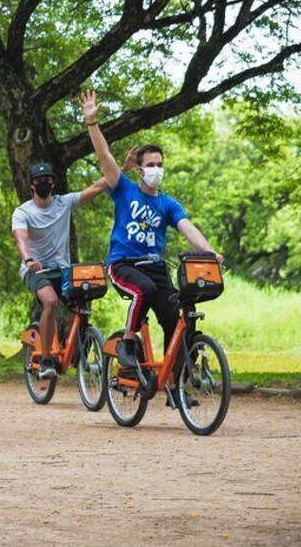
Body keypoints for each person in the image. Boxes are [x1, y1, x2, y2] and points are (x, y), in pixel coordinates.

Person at [80, 90, 222, 370]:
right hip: (123, 265)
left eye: (160, 165)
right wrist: (92, 123)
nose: (156, 169)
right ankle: (128, 342)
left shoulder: (169, 204)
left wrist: (209, 252)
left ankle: (177, 379)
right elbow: (105, 155)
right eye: (150, 165)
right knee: (142, 290)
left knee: (174, 316)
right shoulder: (123, 189)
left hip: (156, 268)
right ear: (139, 169)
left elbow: (187, 228)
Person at [12, 163, 107, 379]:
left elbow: (95, 188)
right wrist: (28, 259)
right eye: (39, 180)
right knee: (51, 302)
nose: (43, 183)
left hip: (63, 270)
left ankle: (74, 353)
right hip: (36, 270)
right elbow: (21, 237)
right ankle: (46, 360)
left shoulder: (63, 203)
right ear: (32, 185)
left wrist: (122, 169)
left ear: (53, 182)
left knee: (83, 302)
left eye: (47, 179)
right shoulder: (23, 211)